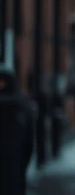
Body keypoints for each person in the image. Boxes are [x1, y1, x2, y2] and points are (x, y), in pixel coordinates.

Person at [0, 67, 35, 195]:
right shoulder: (21, 103)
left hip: (13, 162)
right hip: (15, 163)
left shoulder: (20, 104)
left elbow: (29, 140)